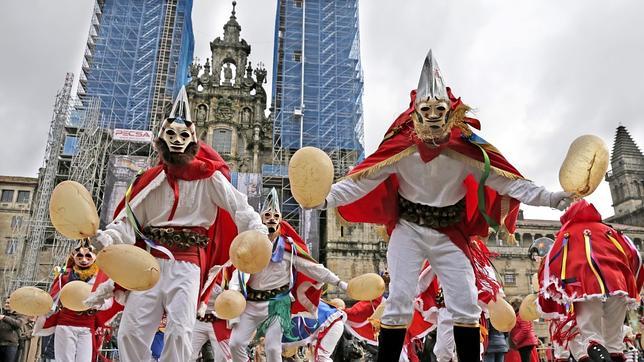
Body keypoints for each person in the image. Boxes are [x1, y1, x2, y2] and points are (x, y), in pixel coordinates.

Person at [310, 49, 572, 362]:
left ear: (450, 112)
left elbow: (510, 182)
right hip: (409, 229)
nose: (433, 116)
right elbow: (360, 181)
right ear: (415, 113)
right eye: (426, 109)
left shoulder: (468, 150)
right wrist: (323, 198)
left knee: (465, 300)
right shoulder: (401, 149)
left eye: (439, 109)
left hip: (450, 232)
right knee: (399, 300)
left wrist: (553, 199)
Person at [88, 86, 268, 361]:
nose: (176, 140)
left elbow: (239, 207)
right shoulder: (149, 181)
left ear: (193, 141)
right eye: (170, 134)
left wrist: (256, 231)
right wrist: (108, 239)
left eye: (183, 135)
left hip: (188, 262)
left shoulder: (209, 177)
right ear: (160, 139)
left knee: (179, 332)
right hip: (149, 262)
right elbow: (127, 222)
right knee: (130, 332)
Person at [228, 188, 347, 362]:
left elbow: (313, 268)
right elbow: (239, 270)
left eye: (276, 216)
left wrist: (339, 282)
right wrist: (233, 291)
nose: (271, 219)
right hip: (252, 302)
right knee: (235, 343)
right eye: (267, 215)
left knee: (272, 348)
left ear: (281, 221)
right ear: (260, 220)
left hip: (278, 303)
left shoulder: (288, 248)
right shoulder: (251, 245)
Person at [537, 200, 643, 362]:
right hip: (619, 285)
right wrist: (633, 284)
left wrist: (557, 294)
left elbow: (551, 265)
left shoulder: (566, 234)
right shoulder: (610, 231)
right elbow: (635, 256)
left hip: (584, 287)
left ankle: (599, 353)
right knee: (614, 340)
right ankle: (613, 353)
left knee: (591, 334)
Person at [33, 240, 114, 362]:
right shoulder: (65, 276)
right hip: (66, 323)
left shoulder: (100, 278)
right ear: (74, 257)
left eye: (88, 255)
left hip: (87, 325)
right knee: (64, 359)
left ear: (95, 257)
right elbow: (52, 301)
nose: (84, 259)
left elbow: (108, 302)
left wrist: (96, 303)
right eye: (80, 255)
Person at [509, 297, 538, 362]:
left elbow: (525, 329)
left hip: (525, 342)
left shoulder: (521, 315)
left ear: (515, 306)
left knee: (525, 359)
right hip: (525, 341)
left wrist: (516, 339)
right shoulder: (520, 314)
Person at [0, 297, 24, 362]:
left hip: (10, 346)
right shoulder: (1, 313)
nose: (6, 304)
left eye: (8, 303)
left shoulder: (19, 315)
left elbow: (18, 324)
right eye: (5, 303)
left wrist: (4, 317)